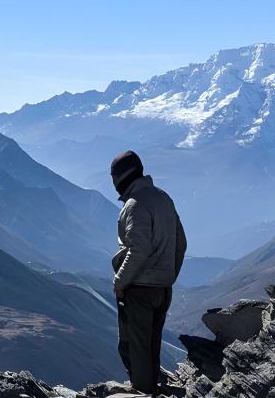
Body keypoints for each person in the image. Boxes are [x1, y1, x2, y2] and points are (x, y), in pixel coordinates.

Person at [110, 150, 187, 396]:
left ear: (121, 176)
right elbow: (181, 242)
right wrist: (169, 275)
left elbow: (138, 250)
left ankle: (141, 392)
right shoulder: (163, 198)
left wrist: (119, 282)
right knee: (152, 346)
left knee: (135, 348)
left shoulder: (135, 205)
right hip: (163, 289)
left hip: (140, 289)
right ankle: (151, 390)